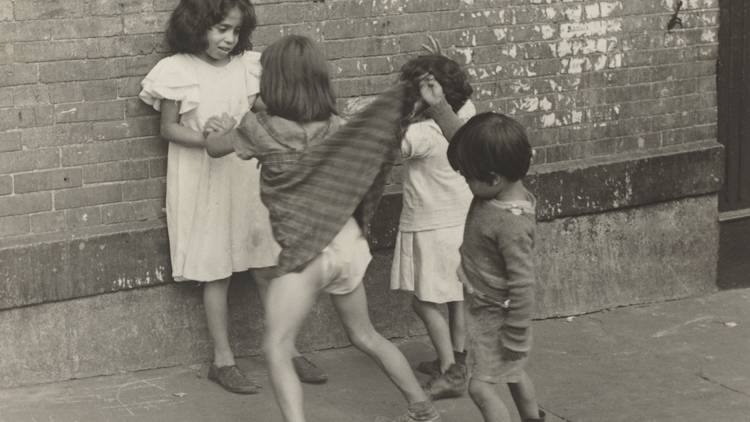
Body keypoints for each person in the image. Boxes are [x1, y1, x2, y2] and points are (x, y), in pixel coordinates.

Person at [205, 35, 440, 422]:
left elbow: (216, 148)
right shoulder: (337, 127)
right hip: (346, 244)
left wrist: (218, 128)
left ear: (274, 80)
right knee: (365, 336)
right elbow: (372, 141)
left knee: (278, 347)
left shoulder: (257, 127)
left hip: (305, 254)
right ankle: (422, 408)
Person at [138, 0, 325, 395]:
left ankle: (286, 346)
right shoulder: (177, 70)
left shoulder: (248, 66)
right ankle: (223, 360)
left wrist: (256, 126)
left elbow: (263, 110)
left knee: (265, 264)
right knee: (216, 269)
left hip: (245, 173)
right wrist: (210, 138)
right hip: (204, 176)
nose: (229, 39)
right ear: (197, 26)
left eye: (236, 31)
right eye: (221, 29)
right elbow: (169, 129)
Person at [418, 76, 546, 422]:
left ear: (492, 178)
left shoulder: (511, 222)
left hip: (499, 317)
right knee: (514, 373)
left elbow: (523, 284)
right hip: (487, 307)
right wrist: (439, 106)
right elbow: (463, 142)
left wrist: (516, 335)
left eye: (468, 178)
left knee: (480, 387)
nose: (466, 182)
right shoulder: (499, 187)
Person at [391, 55, 475, 400]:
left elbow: (389, 144)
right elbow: (461, 96)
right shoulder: (467, 115)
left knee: (424, 303)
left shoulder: (421, 134)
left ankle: (449, 370)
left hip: (431, 229)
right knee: (457, 299)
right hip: (462, 224)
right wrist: (447, 66)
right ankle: (460, 357)